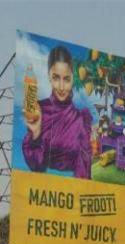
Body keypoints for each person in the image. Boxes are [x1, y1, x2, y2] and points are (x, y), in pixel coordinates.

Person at [22, 45, 93, 179]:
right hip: (42, 194)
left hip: (72, 196)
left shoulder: (81, 120)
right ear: (49, 76)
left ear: (73, 79)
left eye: (66, 79)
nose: (61, 87)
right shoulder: (38, 111)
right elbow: (36, 166)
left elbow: (85, 173)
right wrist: (36, 135)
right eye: (56, 78)